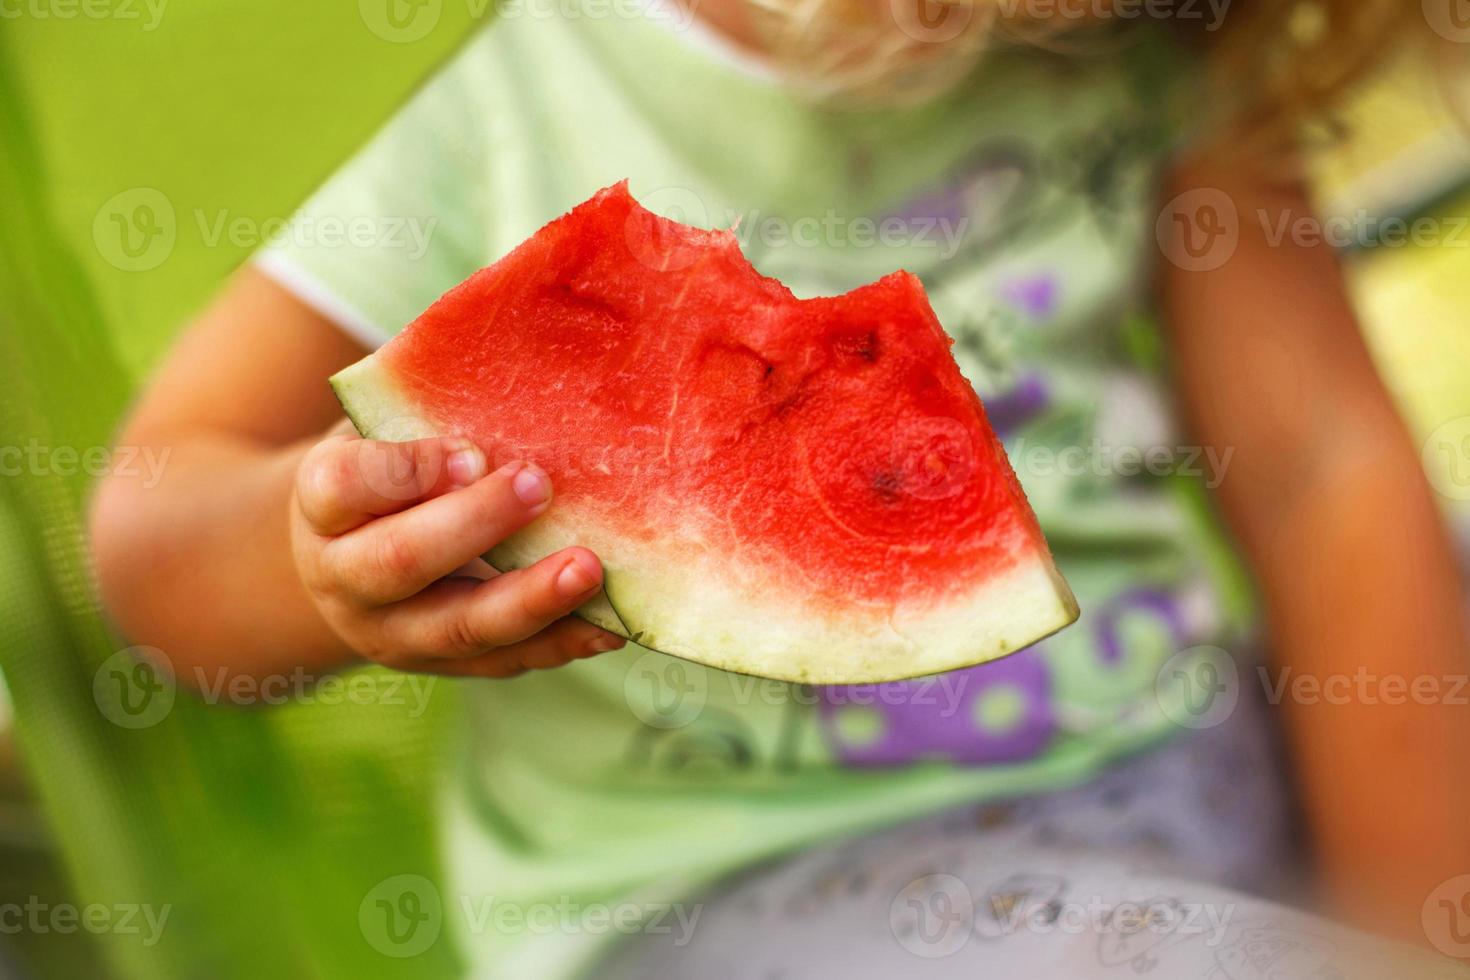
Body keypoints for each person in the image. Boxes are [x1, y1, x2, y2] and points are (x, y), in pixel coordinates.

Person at [89, 1, 1470, 975]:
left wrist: (1411, 924)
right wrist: (323, 555)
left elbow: (1318, 476)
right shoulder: (493, 81)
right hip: (752, 897)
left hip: (1196, 758)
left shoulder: (1148, 36)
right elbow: (157, 530)